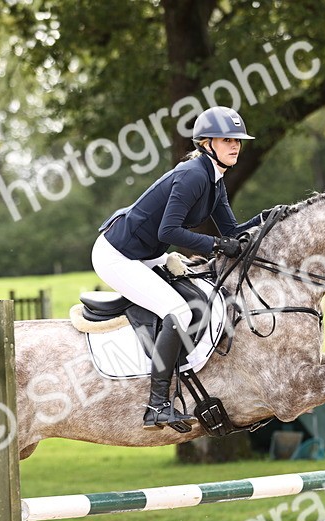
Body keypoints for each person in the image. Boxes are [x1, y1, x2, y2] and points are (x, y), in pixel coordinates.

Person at [94, 106, 268, 430]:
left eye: (238, 141)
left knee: (200, 297)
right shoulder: (194, 176)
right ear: (206, 143)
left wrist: (265, 220)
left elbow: (231, 232)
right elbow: (168, 232)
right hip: (117, 255)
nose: (235, 146)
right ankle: (156, 406)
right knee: (180, 311)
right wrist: (216, 246)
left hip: (144, 254)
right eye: (227, 140)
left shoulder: (214, 181)